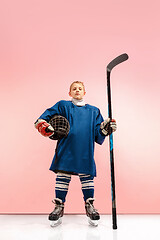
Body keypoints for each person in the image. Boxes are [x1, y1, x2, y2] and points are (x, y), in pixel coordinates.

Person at [34, 81, 117, 227]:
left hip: (85, 150)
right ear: (69, 93)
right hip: (66, 148)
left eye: (80, 88)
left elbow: (98, 134)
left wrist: (106, 128)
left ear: (84, 92)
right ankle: (59, 206)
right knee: (62, 177)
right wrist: (43, 125)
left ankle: (89, 205)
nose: (77, 90)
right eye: (74, 88)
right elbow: (43, 119)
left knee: (87, 178)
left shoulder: (94, 111)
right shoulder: (62, 105)